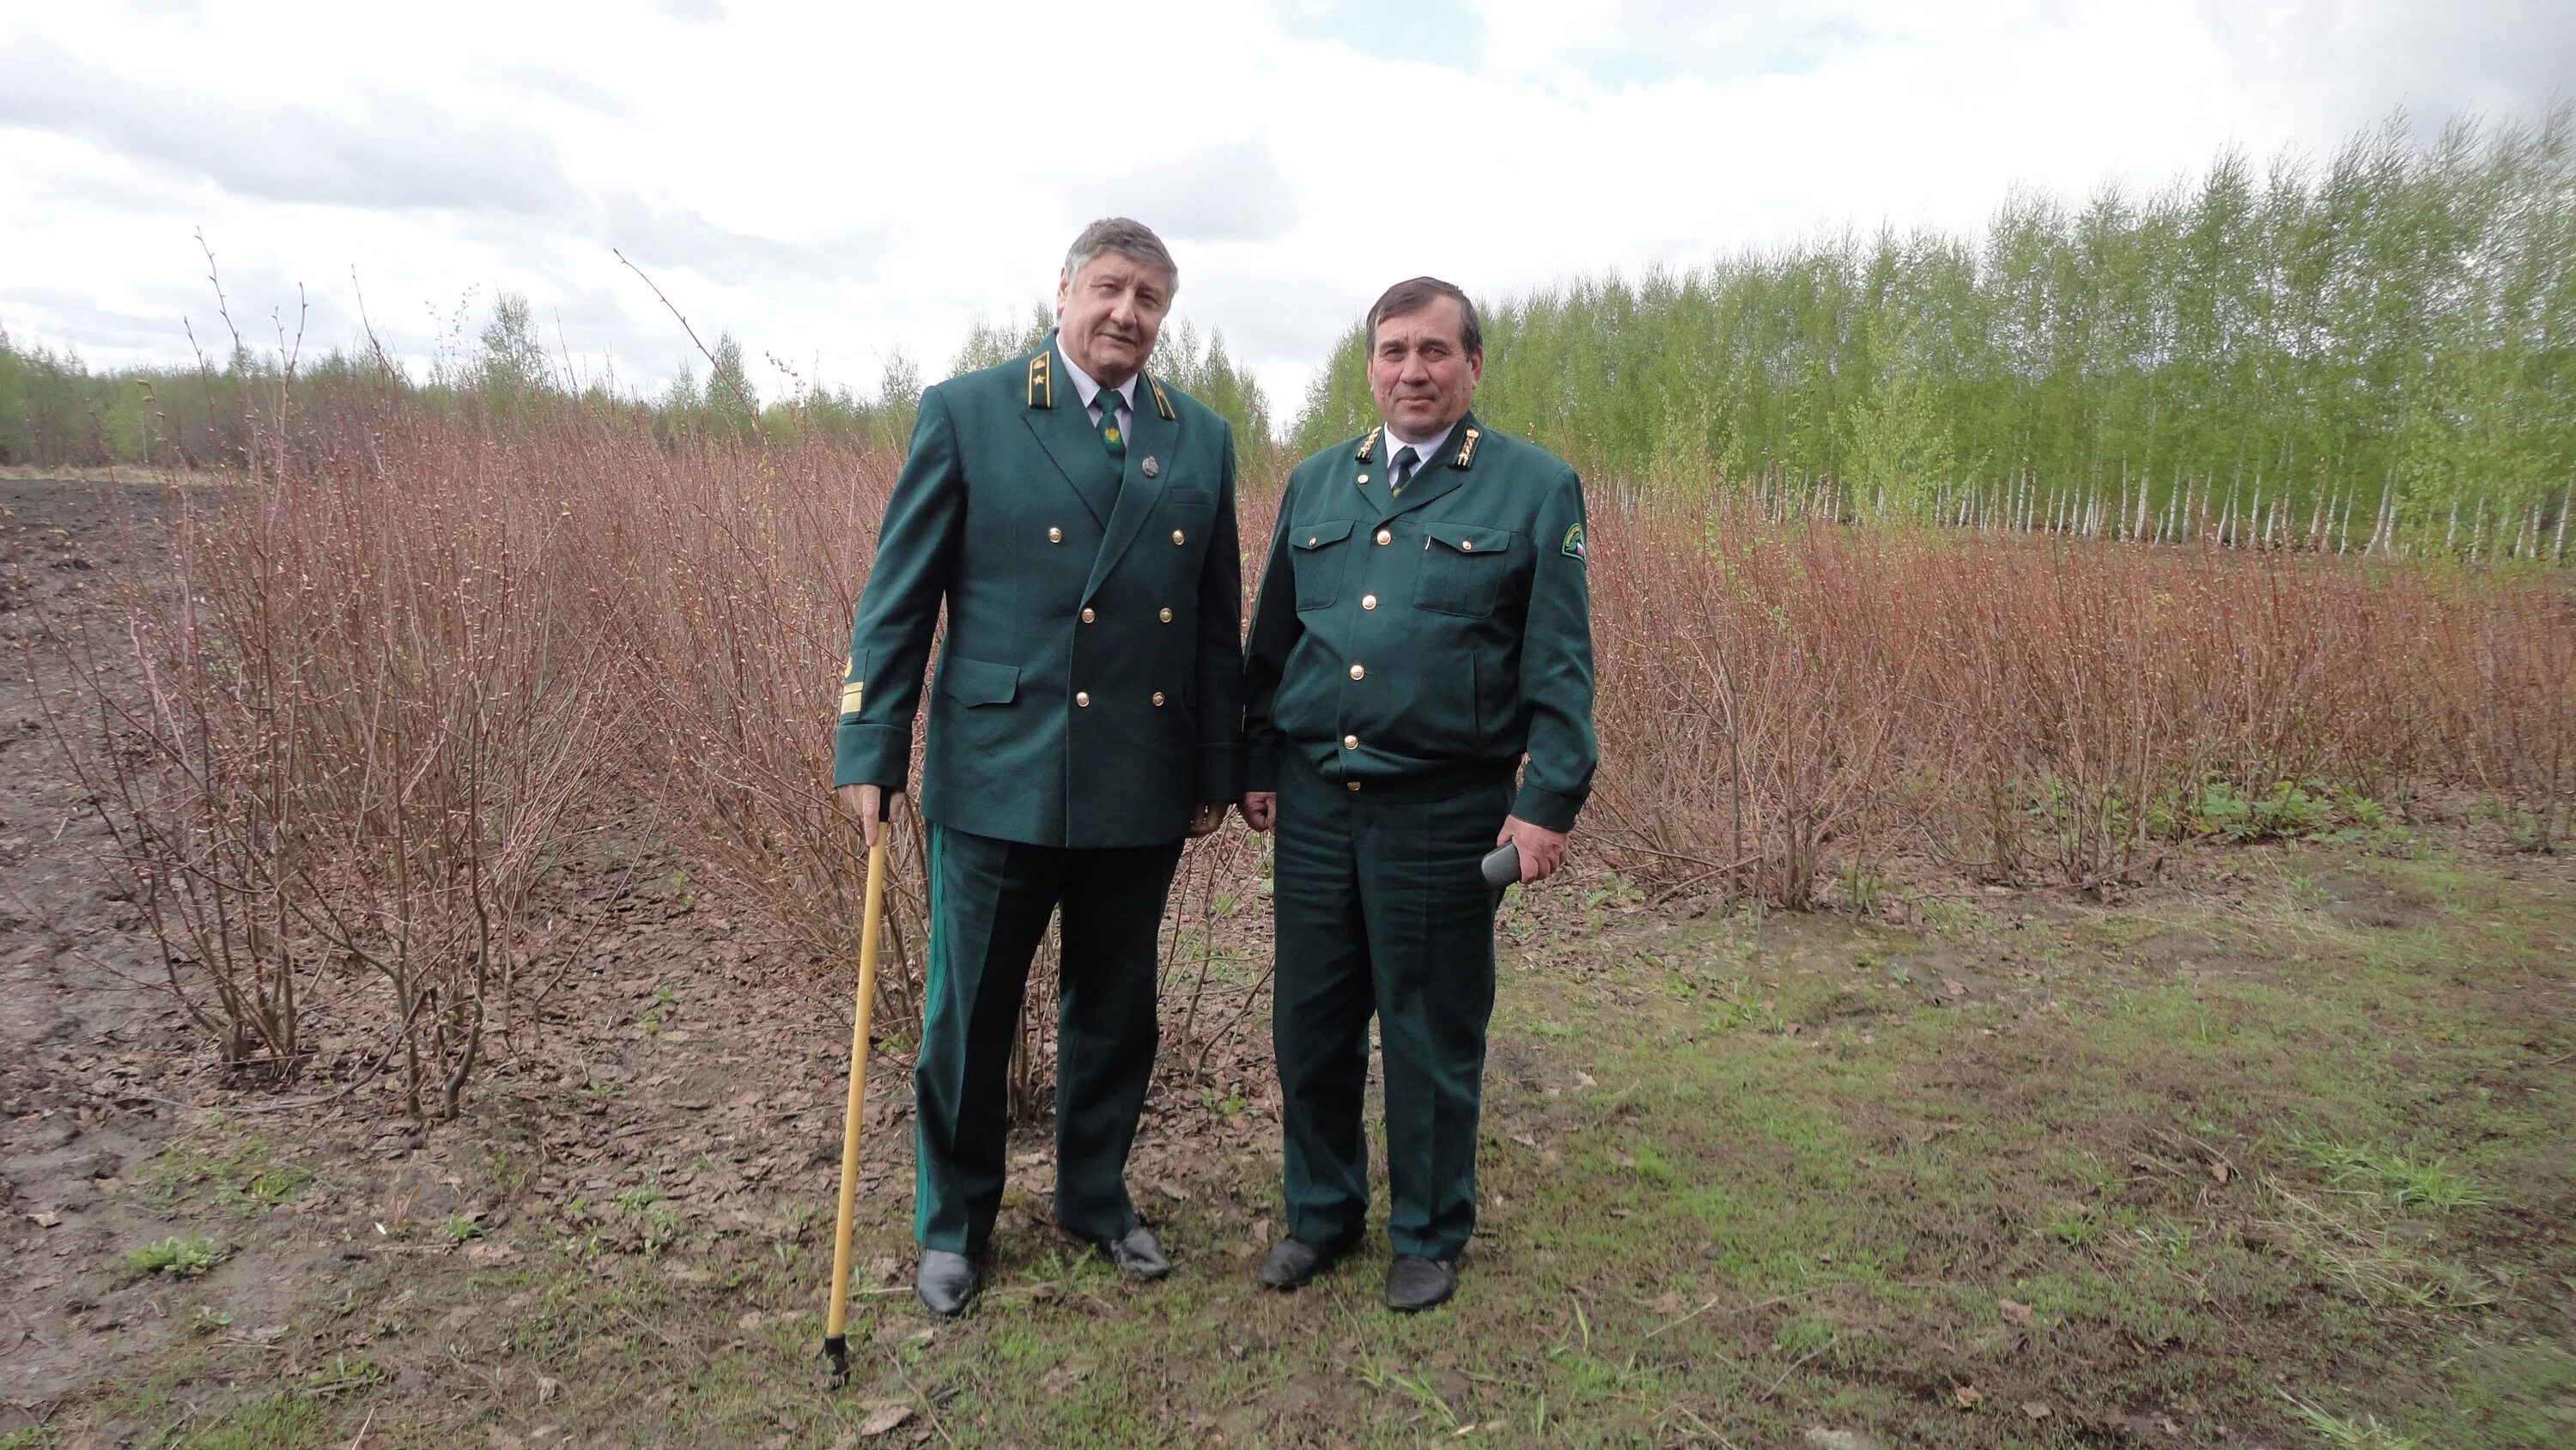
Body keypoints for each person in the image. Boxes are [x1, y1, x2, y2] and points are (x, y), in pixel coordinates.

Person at [833, 218, 1244, 1317]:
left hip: (1141, 773)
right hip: (1001, 769)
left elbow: (1213, 619)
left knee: (1116, 1009)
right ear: (1063, 291)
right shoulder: (970, 411)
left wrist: (1218, 762)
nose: (1127, 314)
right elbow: (899, 594)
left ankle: (1095, 1196)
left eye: (1150, 299)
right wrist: (871, 743)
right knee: (968, 1018)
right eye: (1110, 289)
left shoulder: (1197, 436)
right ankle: (954, 1224)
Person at [1240, 276, 1596, 1313]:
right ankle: (1321, 1213)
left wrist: (1548, 800)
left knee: (1430, 1028)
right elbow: (1273, 644)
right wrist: (1256, 763)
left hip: (1445, 808)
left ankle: (1430, 1231)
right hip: (1314, 805)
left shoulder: (1532, 488)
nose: (1413, 371)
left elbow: (1561, 664)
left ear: (1473, 366)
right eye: (1394, 351)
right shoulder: (1316, 484)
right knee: (1310, 1021)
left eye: (1435, 352)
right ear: (1371, 365)